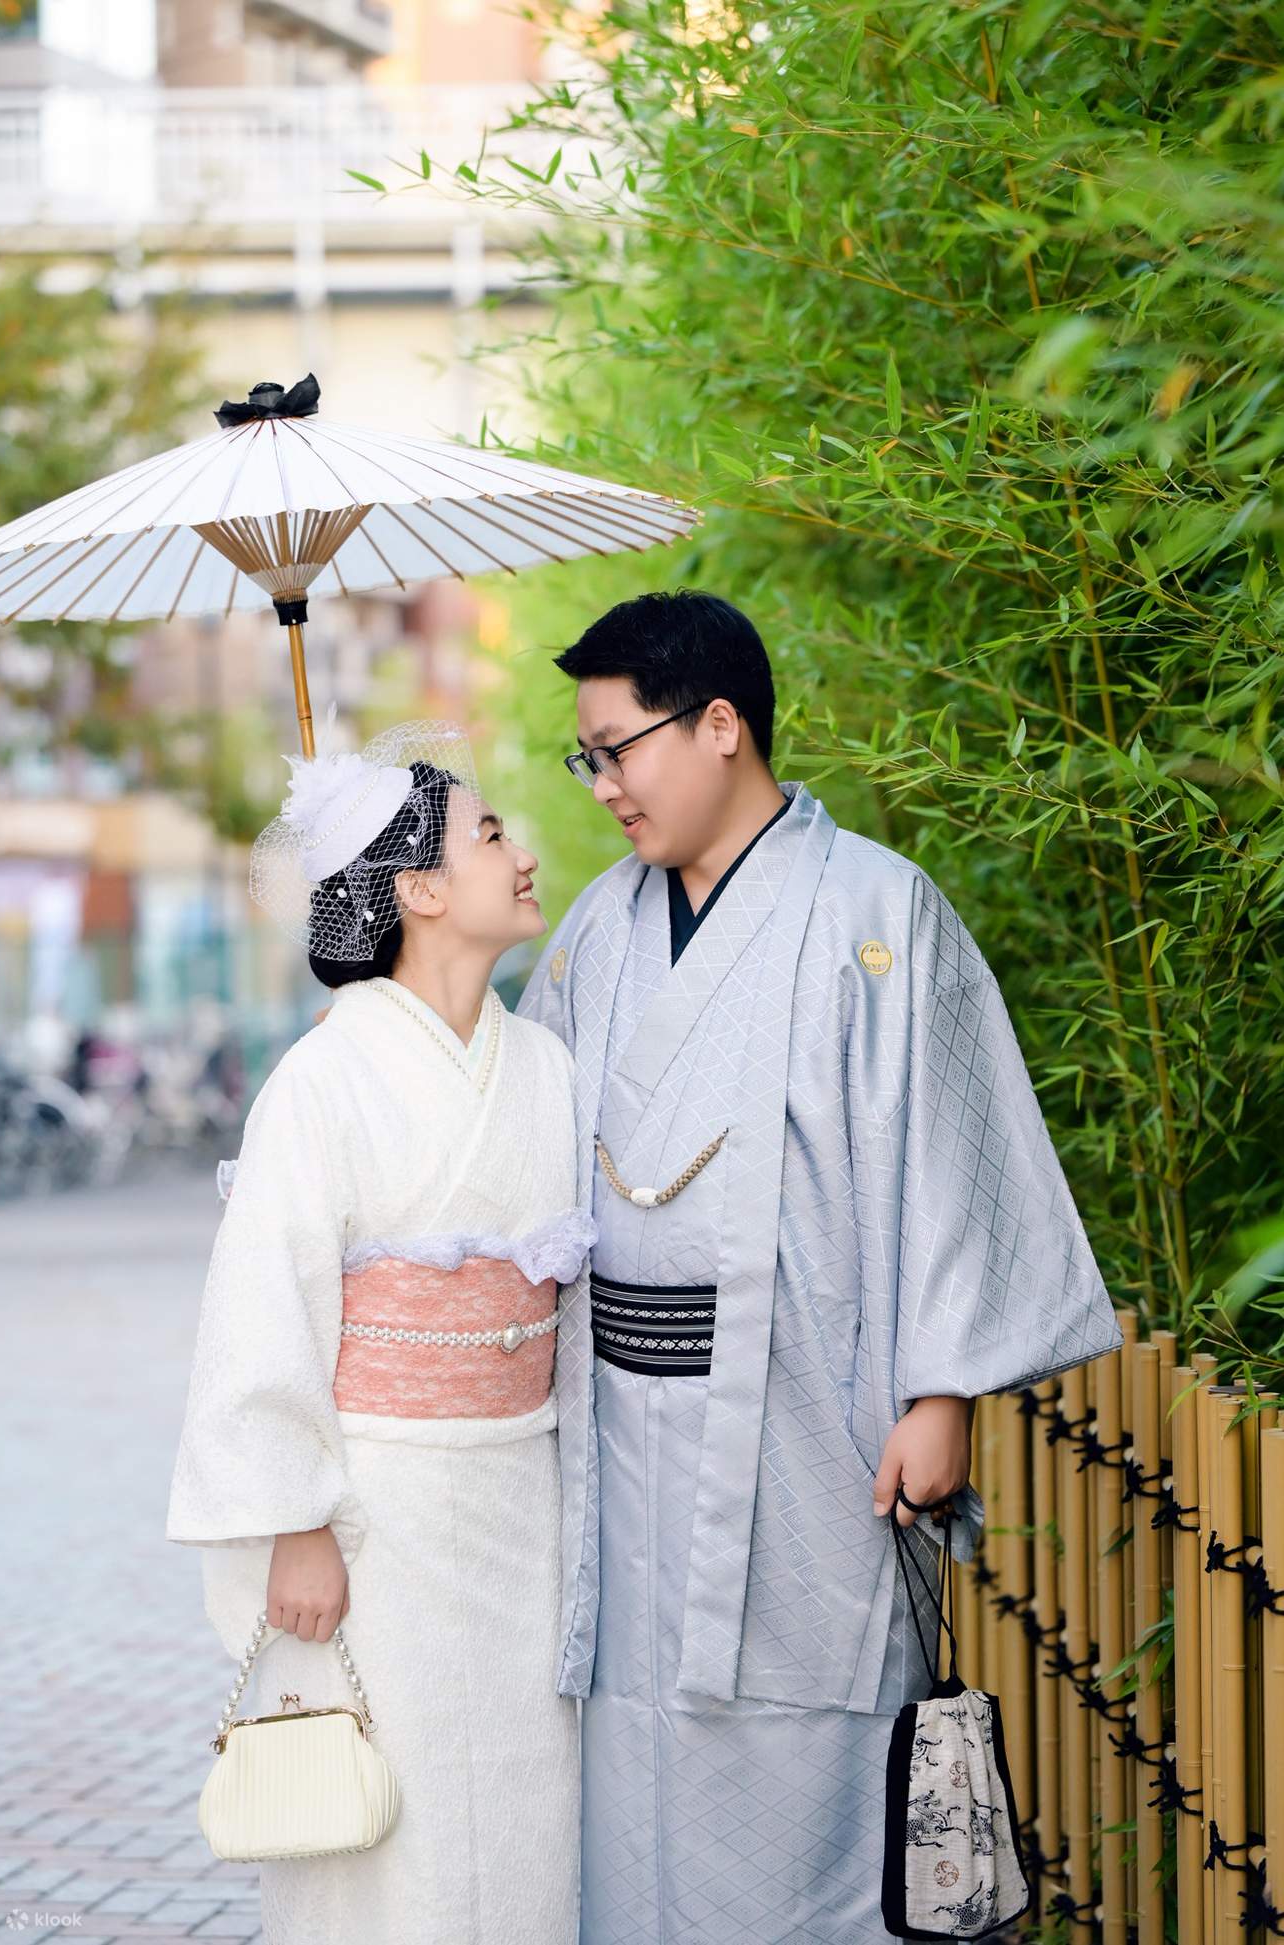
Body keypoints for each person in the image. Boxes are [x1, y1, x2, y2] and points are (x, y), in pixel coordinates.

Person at [517, 592, 1124, 1944]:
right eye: (589, 759)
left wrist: (941, 1393)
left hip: (809, 1422)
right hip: (617, 1420)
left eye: (617, 748)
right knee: (633, 1750)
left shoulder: (872, 911)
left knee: (811, 1740)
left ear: (719, 725)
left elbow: (948, 1153)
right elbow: (519, 1137)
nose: (603, 785)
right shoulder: (594, 934)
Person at [167, 722, 591, 1945]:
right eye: (492, 833)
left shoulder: (547, 1068)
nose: (520, 853)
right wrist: (293, 1523)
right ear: (417, 888)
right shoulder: (322, 1079)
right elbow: (261, 1310)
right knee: (384, 1823)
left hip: (521, 1492)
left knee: (523, 1806)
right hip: (373, 1510)